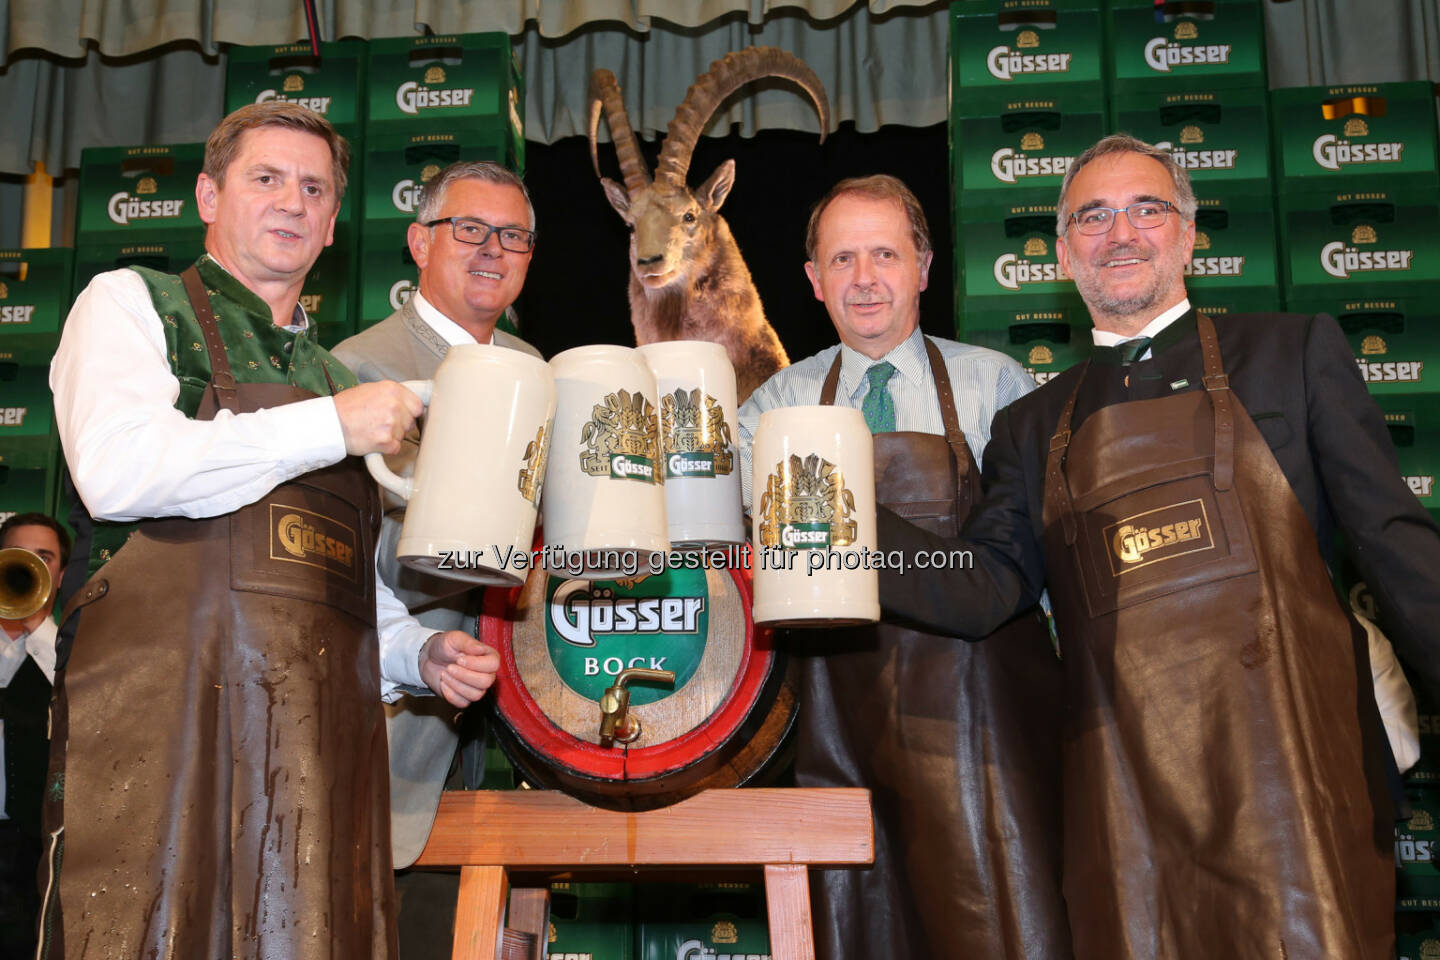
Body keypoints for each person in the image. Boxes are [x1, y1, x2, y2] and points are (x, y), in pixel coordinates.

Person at [877, 133, 1440, 959]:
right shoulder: (1032, 425)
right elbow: (984, 584)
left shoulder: (1293, 353)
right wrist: (844, 526)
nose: (1122, 232)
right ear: (1064, 254)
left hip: (1298, 781)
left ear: (1188, 233)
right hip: (1124, 805)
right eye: (1093, 217)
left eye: (1148, 209)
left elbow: (1393, 541)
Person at [41, 102, 500, 960]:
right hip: (155, 739)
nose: (291, 201)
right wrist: (332, 425)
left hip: (309, 763)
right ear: (210, 197)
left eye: (314, 188)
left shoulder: (333, 379)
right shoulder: (132, 304)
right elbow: (118, 471)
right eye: (266, 179)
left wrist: (415, 654)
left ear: (332, 225)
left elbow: (338, 571)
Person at [736, 175, 1072, 960]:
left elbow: (1040, 571)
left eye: (885, 253)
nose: (865, 278)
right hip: (830, 715)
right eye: (842, 258)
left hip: (979, 711)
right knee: (853, 926)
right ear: (813, 280)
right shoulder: (773, 407)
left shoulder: (998, 388)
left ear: (923, 265)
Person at [331, 160, 540, 948]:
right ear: (421, 243)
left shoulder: (533, 369)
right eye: (472, 230)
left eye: (513, 235)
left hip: (508, 726)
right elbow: (342, 566)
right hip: (396, 740)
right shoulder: (360, 368)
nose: (493, 249)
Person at [0, 513, 66, 957]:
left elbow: (70, 694)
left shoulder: (73, 650)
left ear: (60, 575)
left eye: (44, 558)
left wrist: (36, 631)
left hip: (32, 851)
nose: (32, 566)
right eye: (19, 557)